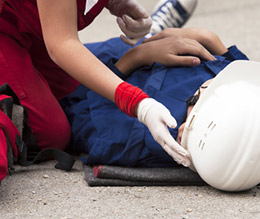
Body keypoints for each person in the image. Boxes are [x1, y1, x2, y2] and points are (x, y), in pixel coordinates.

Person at [0, 0, 204, 174]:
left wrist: (117, 3)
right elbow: (62, 45)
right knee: (50, 133)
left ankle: (149, 38)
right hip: (13, 33)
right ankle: (146, 40)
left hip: (35, 31)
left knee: (85, 88)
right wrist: (139, 104)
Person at [61, 28, 260, 168]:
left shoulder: (127, 139)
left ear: (185, 129)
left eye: (202, 97)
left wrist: (135, 57)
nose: (212, 85)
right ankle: (162, 28)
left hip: (116, 64)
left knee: (55, 52)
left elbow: (77, 103)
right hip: (181, 46)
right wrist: (211, 41)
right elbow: (254, 85)